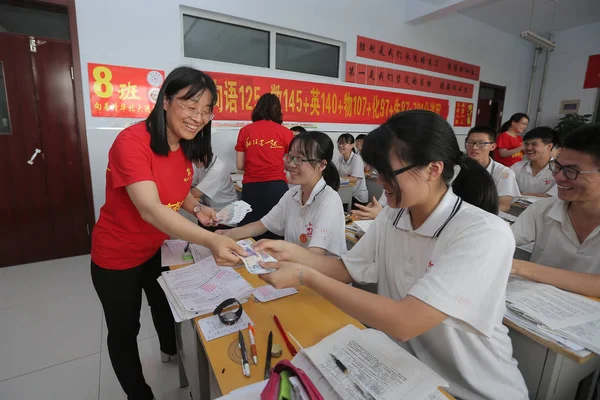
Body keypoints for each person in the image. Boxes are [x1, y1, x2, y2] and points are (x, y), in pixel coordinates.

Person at [255, 110, 527, 400]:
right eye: (375, 170)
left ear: (432, 170)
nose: (378, 180)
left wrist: (303, 274)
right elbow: (345, 269)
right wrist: (294, 253)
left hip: (471, 391)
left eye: (386, 172)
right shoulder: (392, 217)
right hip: (405, 375)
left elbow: (405, 322)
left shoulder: (484, 233)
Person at [90, 67, 246, 400]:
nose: (199, 117)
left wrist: (197, 208)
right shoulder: (131, 143)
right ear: (165, 100)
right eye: (191, 106)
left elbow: (177, 192)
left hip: (155, 248)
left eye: (206, 110)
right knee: (124, 330)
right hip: (117, 256)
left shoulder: (182, 147)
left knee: (164, 304)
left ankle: (170, 352)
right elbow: (150, 207)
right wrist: (210, 239)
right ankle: (139, 394)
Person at [218, 131, 346, 257]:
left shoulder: (329, 201)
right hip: (293, 268)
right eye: (290, 157)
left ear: (322, 165)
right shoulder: (292, 194)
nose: (291, 164)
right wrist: (224, 234)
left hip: (318, 274)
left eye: (300, 159)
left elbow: (314, 256)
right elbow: (262, 224)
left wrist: (277, 248)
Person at [511, 124, 600, 298]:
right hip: (536, 310)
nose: (558, 177)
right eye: (557, 167)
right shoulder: (542, 210)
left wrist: (519, 267)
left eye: (572, 171)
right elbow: (503, 240)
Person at [235, 93, 294, 239]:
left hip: (252, 188)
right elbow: (292, 164)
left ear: (257, 109)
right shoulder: (286, 133)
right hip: (277, 188)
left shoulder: (245, 131)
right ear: (278, 111)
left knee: (250, 233)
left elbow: (239, 164)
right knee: (276, 232)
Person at [465, 126, 520, 212]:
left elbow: (504, 206)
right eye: (471, 142)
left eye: (481, 143)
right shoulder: (457, 168)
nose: (474, 147)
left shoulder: (504, 173)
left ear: (493, 146)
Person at [190, 155, 238, 232]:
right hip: (209, 211)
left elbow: (195, 193)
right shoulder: (199, 163)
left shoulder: (217, 168)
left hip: (223, 218)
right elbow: (192, 184)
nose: (192, 162)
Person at [510, 126, 559, 197]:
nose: (529, 148)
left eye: (534, 144)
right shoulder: (516, 167)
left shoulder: (559, 170)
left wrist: (521, 195)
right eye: (526, 144)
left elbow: (552, 196)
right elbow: (505, 190)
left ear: (549, 146)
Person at [334, 133, 368, 207]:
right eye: (339, 143)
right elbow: (336, 174)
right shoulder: (340, 158)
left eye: (344, 143)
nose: (340, 146)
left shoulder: (357, 159)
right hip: (346, 193)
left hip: (357, 197)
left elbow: (354, 179)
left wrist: (338, 178)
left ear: (351, 145)